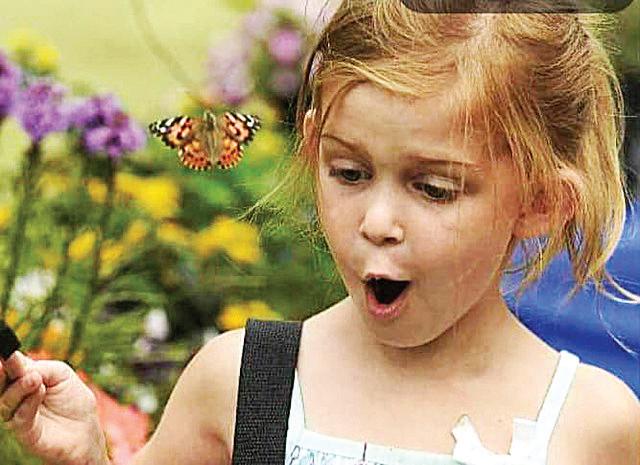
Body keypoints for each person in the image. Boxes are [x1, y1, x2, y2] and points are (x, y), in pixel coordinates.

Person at [1, 1, 639, 464]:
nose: (377, 222)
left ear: (541, 202)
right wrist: (90, 455)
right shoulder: (246, 384)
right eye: (350, 173)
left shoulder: (588, 427)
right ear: (313, 148)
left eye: (433, 188)